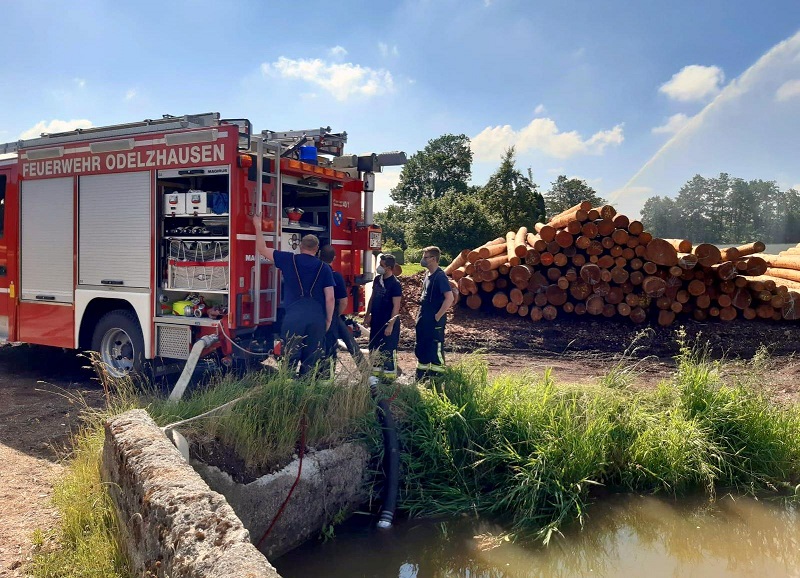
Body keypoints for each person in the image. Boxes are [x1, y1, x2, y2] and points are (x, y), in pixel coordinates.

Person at [252, 214, 334, 377]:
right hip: (316, 317)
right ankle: (306, 388)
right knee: (311, 359)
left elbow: (262, 249)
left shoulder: (288, 259)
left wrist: (258, 227)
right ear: (317, 249)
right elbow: (330, 298)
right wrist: (328, 320)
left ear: (300, 246)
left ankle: (287, 386)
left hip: (293, 317)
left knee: (289, 357)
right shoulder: (324, 268)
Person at [319, 244, 365, 369]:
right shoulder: (336, 276)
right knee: (329, 350)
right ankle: (326, 377)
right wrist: (335, 314)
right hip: (331, 318)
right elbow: (343, 302)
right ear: (334, 258)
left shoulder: (313, 274)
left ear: (319, 256)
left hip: (313, 315)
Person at [415, 246, 454, 380]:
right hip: (424, 316)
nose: (423, 260)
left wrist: (437, 316)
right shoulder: (428, 275)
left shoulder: (440, 276)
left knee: (434, 346)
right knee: (422, 345)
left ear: (433, 259)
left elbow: (449, 298)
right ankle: (422, 376)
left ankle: (438, 377)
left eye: (425, 257)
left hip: (434, 318)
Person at [364, 253, 402, 378]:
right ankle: (375, 375)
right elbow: (372, 298)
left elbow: (396, 306)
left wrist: (390, 325)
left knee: (387, 350)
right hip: (376, 320)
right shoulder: (377, 280)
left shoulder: (395, 284)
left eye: (382, 265)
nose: (379, 267)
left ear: (389, 268)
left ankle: (389, 378)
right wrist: (367, 314)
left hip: (388, 322)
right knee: (374, 348)